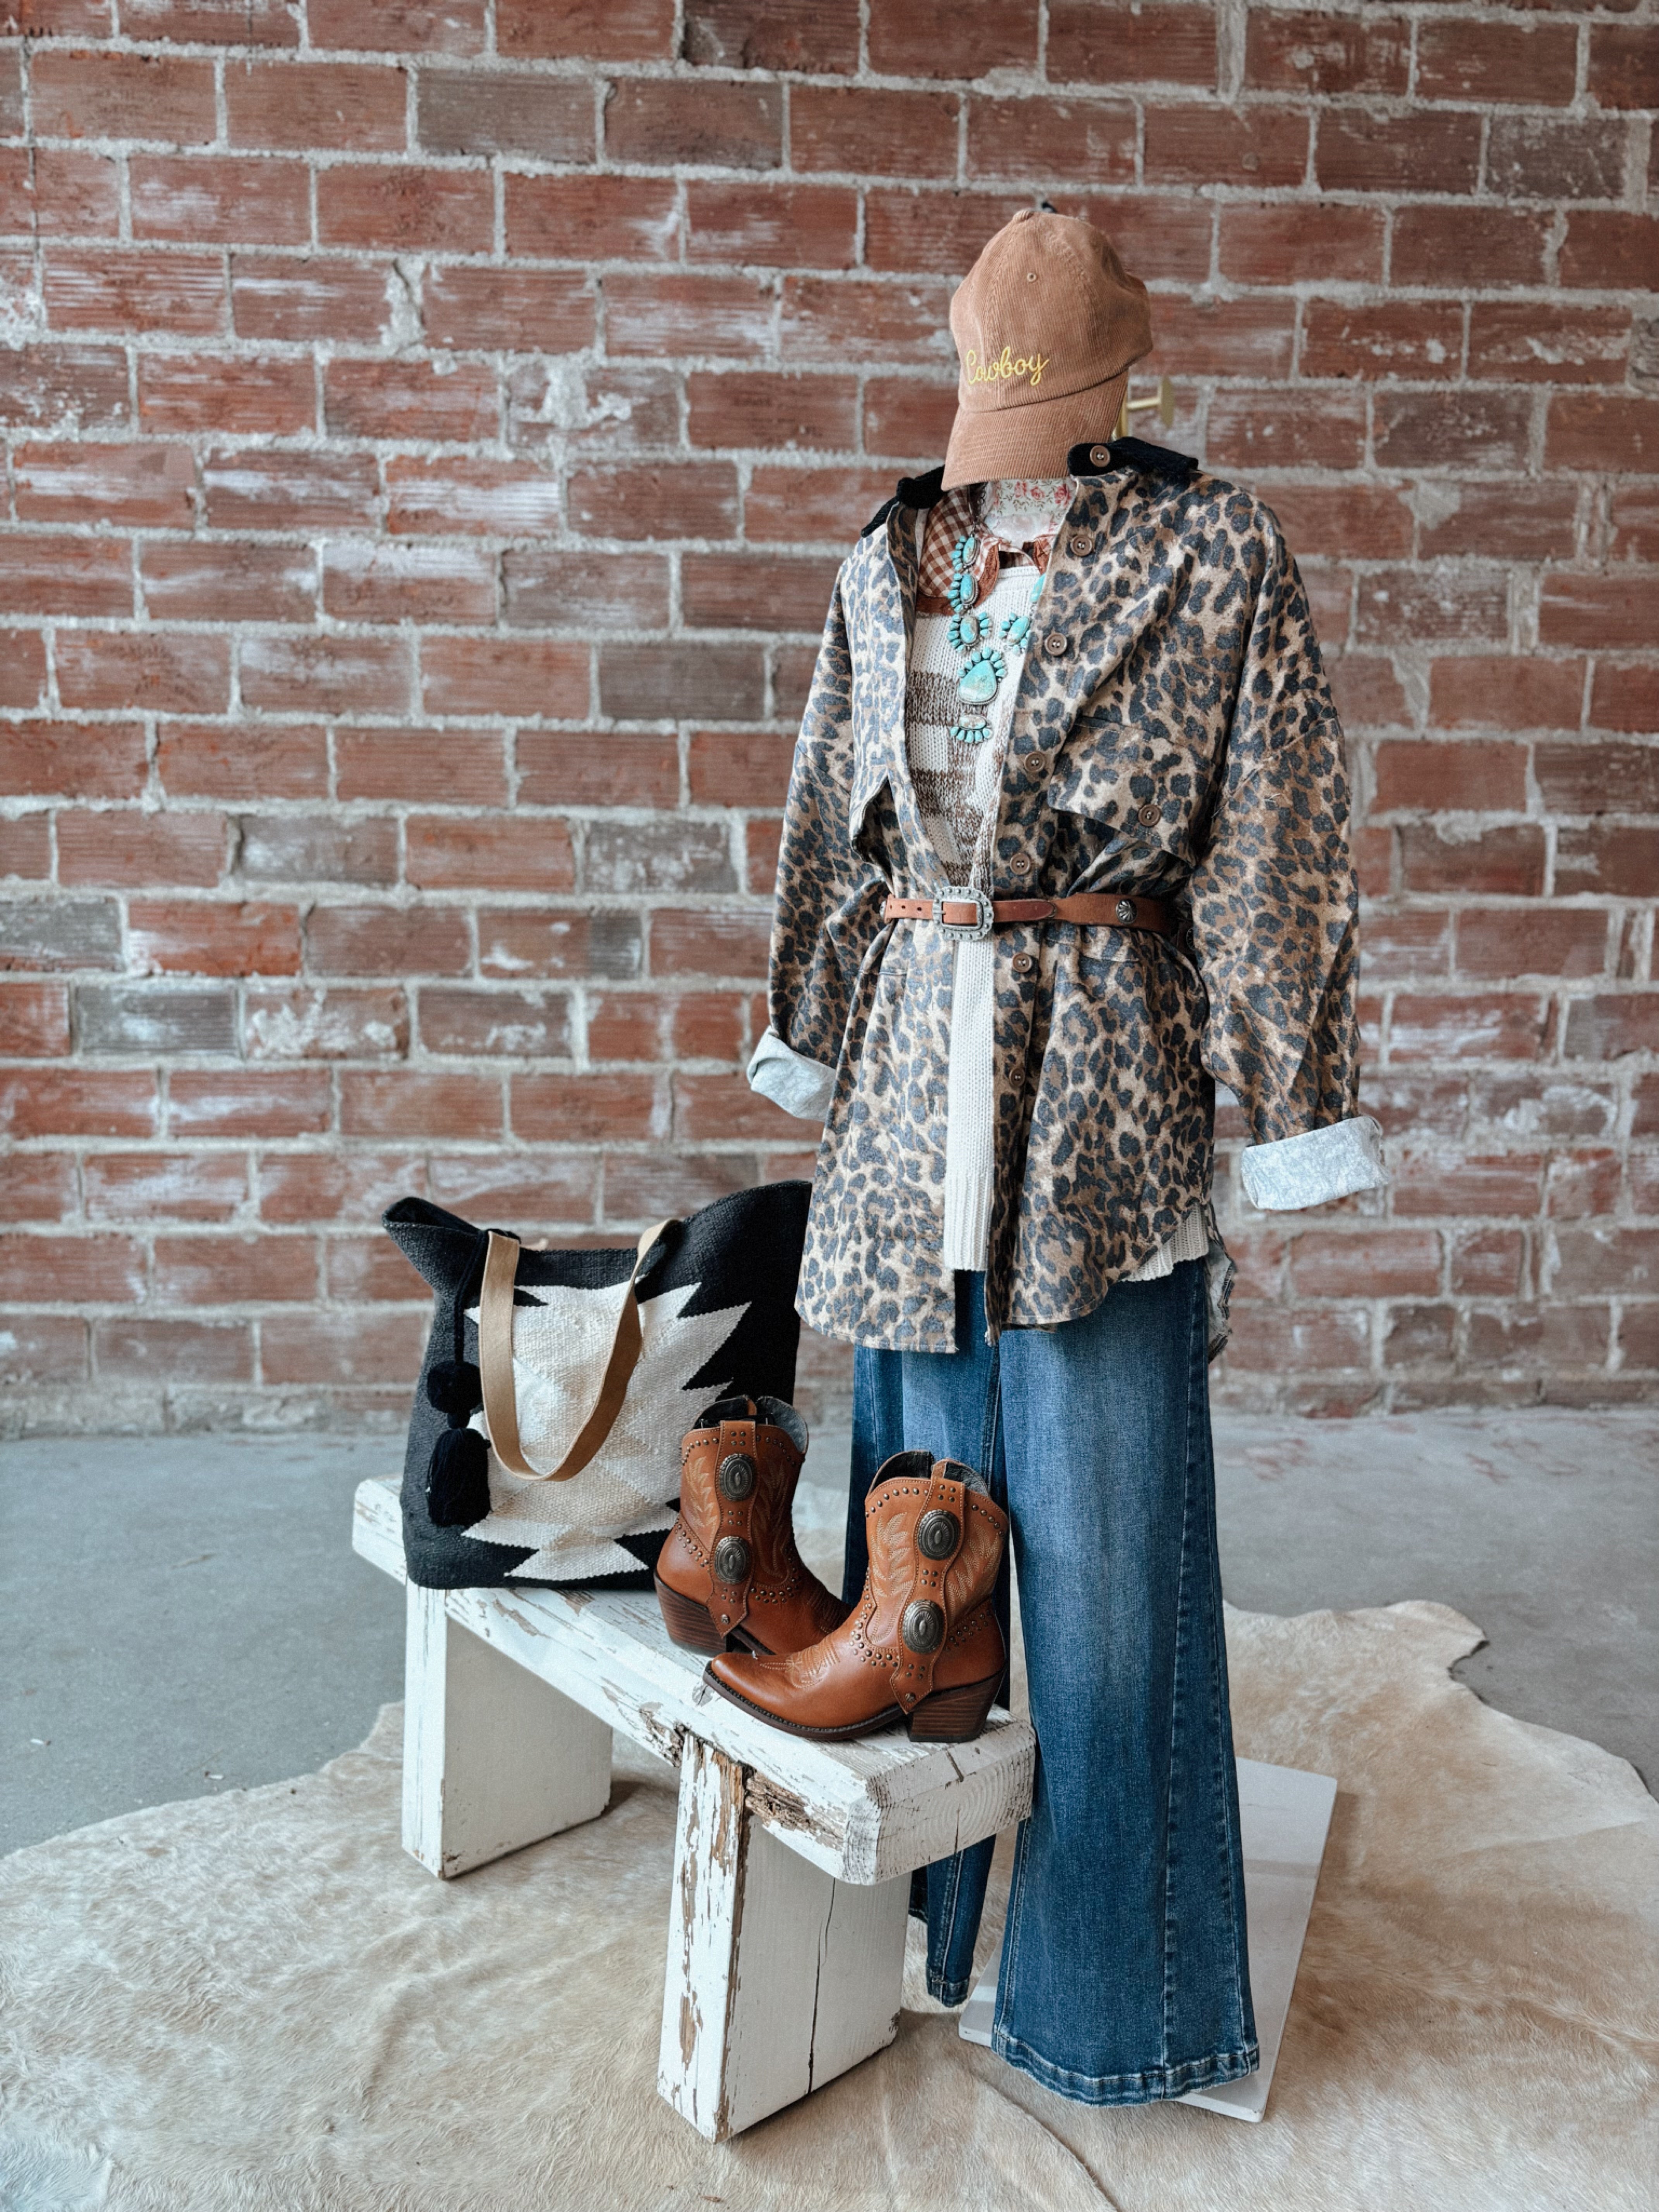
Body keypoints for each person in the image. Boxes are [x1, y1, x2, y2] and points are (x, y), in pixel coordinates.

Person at [746, 209, 1386, 2107]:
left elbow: (1278, 842)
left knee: (1109, 1577)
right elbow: (821, 819)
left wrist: (1285, 1107)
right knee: (916, 1554)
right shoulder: (894, 555)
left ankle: (1123, 2002)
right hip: (907, 1099)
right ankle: (930, 1939)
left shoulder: (1213, 554)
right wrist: (814, 1015)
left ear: (1123, 391)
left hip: (1102, 1103)